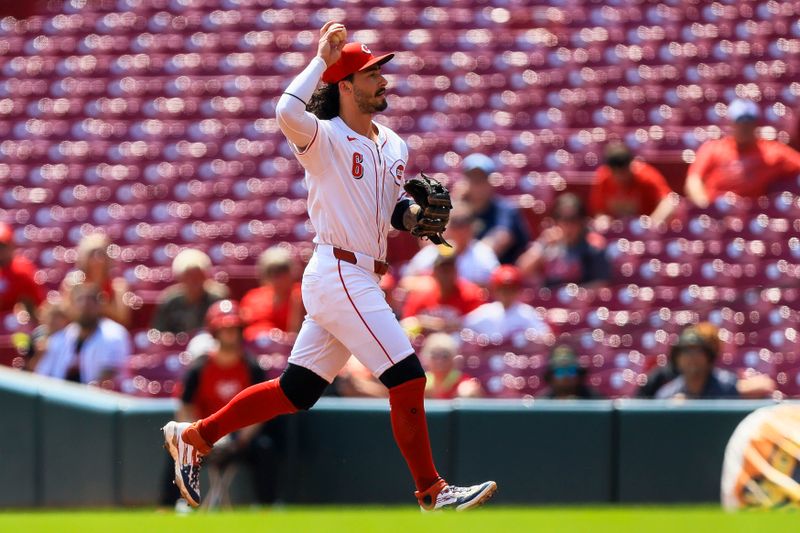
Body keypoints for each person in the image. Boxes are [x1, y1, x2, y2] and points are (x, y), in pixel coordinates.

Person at [162, 23, 496, 512]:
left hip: (358, 272)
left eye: (381, 70)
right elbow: (284, 110)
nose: (382, 78)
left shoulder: (394, 145)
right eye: (370, 72)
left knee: (295, 391)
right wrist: (322, 58)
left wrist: (414, 217)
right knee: (407, 377)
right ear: (345, 85)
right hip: (338, 268)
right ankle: (431, 489)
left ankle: (195, 434)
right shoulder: (323, 138)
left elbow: (388, 209)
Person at [161, 300, 282, 507]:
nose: (230, 334)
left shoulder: (252, 367)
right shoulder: (199, 367)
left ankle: (267, 505)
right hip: (205, 432)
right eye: (225, 329)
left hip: (239, 435)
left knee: (265, 448)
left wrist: (240, 440)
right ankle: (170, 505)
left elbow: (262, 409)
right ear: (215, 332)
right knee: (175, 449)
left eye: (234, 329)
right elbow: (185, 407)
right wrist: (198, 436)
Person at [684, 98, 800, 207]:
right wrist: (705, 206)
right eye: (740, 123)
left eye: (749, 123)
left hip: (751, 215)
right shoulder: (713, 148)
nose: (745, 128)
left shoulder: (772, 151)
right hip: (715, 213)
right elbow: (693, 180)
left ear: (755, 124)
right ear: (732, 124)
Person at [34, 282, 131, 387]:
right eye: (80, 301)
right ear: (72, 307)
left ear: (100, 306)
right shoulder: (60, 338)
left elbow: (110, 377)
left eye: (90, 302)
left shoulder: (114, 334)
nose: (85, 307)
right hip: (59, 397)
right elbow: (42, 376)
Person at [516, 193, 610, 288]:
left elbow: (601, 284)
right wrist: (543, 246)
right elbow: (522, 270)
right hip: (550, 299)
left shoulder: (594, 245)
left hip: (582, 300)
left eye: (573, 219)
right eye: (563, 219)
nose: (568, 225)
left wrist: (572, 294)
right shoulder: (549, 242)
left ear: (582, 221)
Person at [457, 153, 530, 264]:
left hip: (500, 274)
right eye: (473, 179)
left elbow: (501, 239)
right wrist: (455, 202)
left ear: (490, 181)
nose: (477, 184)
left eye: (482, 178)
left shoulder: (506, 209)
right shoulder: (457, 209)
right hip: (463, 273)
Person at [403, 202, 499, 286]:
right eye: (455, 223)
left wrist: (462, 288)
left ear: (472, 227)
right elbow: (406, 281)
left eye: (464, 223)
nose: (460, 230)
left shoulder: (483, 253)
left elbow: (497, 283)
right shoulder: (432, 252)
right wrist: (433, 284)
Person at [401, 248, 486, 333]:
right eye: (442, 270)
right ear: (434, 272)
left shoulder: (472, 295)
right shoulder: (419, 295)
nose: (446, 276)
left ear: (456, 272)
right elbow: (405, 324)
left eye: (449, 270)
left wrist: (430, 324)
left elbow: (476, 328)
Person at [589, 142, 675, 225]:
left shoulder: (646, 175)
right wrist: (602, 221)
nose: (621, 177)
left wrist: (652, 224)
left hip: (644, 229)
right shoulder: (603, 178)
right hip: (617, 232)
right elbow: (599, 211)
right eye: (617, 173)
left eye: (624, 172)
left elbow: (668, 202)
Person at [463, 265, 551, 339]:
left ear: (518, 290)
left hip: (520, 357)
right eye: (503, 289)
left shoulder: (526, 313)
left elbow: (546, 336)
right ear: (495, 290)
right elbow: (463, 325)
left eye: (511, 289)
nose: (506, 293)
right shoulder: (486, 312)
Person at [151, 249, 228, 334]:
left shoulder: (217, 301)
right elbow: (158, 333)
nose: (194, 281)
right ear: (181, 279)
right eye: (189, 277)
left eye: (198, 276)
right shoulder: (169, 302)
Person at [62, 233, 131, 327]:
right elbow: (66, 313)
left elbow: (122, 317)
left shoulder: (118, 286)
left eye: (101, 253)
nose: (97, 259)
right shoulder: (73, 282)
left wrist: (94, 305)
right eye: (92, 254)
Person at [654, 327, 740, 399]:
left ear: (708, 357)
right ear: (677, 359)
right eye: (686, 352)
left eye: (698, 351)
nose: (692, 357)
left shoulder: (728, 386)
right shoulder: (667, 396)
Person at [240, 247, 304, 341]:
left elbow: (296, 334)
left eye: (283, 270)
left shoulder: (301, 294)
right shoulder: (253, 297)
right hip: (253, 348)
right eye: (272, 271)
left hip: (287, 349)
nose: (278, 277)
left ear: (292, 272)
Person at [420, 333, 482, 400]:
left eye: (445, 356)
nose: (439, 361)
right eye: (434, 356)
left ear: (453, 358)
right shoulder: (423, 381)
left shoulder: (463, 382)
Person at [0, 222, 44, 316]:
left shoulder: (22, 271)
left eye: (2, 247)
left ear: (11, 246)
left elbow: (37, 307)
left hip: (16, 326)